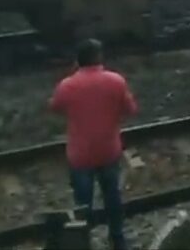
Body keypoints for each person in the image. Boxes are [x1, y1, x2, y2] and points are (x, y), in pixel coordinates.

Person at [49, 39, 137, 250]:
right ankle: (118, 240)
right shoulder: (116, 81)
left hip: (80, 155)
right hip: (108, 150)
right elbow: (131, 109)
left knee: (82, 204)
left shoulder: (67, 85)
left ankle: (83, 242)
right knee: (112, 197)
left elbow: (54, 107)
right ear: (99, 57)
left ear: (77, 60)